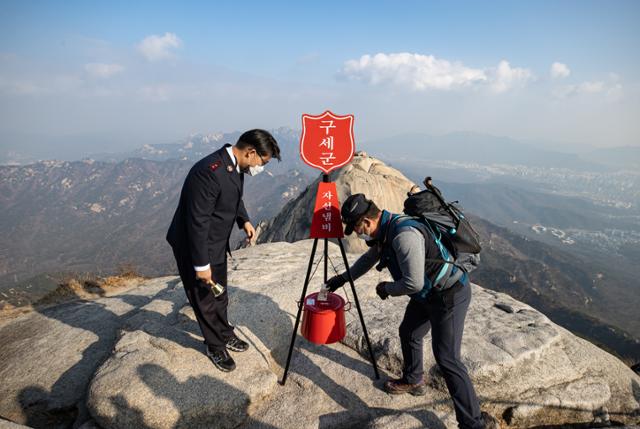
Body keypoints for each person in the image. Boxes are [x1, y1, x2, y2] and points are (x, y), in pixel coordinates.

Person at [326, 193, 484, 429]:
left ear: (367, 223)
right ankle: (413, 379)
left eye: (357, 228)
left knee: (448, 359)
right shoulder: (386, 229)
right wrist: (342, 279)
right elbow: (369, 259)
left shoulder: (403, 236)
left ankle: (473, 423)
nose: (358, 234)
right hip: (428, 295)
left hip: (448, 295)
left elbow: (413, 283)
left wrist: (386, 288)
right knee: (409, 332)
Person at [166, 129, 281, 372]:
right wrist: (201, 265)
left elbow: (233, 198)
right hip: (193, 246)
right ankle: (215, 345)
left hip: (215, 244)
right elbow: (197, 222)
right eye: (263, 161)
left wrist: (244, 221)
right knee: (205, 299)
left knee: (220, 294)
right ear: (250, 152)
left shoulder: (234, 167)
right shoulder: (208, 172)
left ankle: (224, 332)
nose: (262, 167)